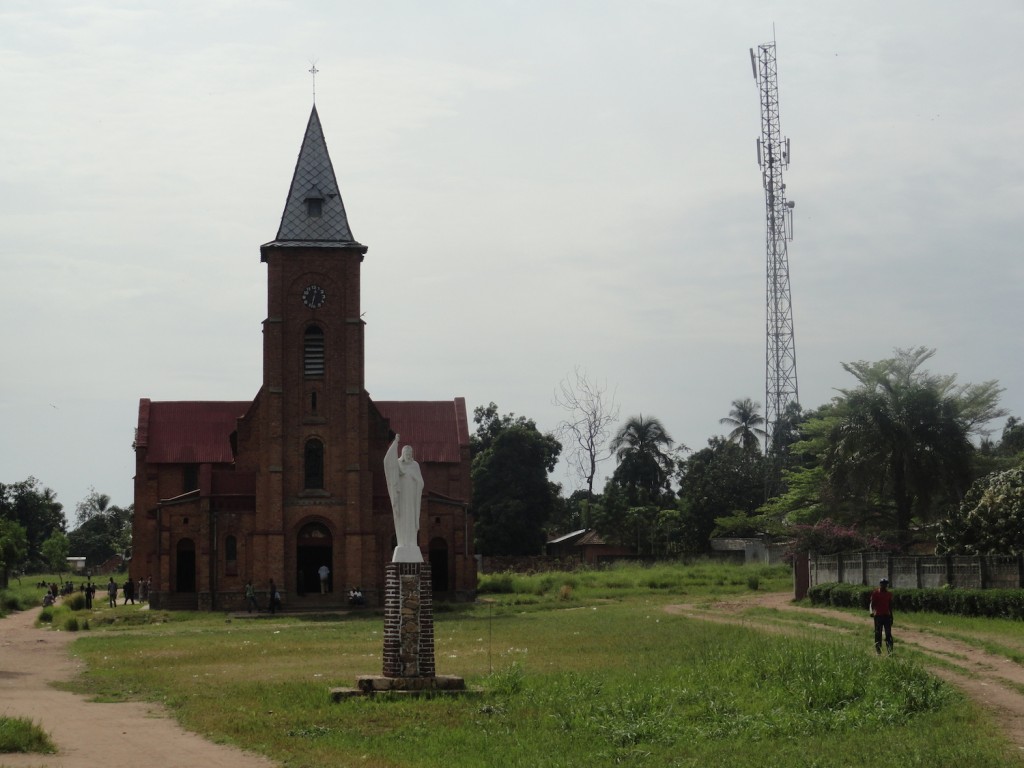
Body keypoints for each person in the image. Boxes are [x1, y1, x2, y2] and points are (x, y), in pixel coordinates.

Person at [383, 433, 424, 563]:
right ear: (402, 454)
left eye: (410, 454)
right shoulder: (398, 465)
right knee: (402, 519)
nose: (408, 456)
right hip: (402, 497)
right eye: (406, 454)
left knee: (411, 519)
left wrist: (415, 480)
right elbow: (387, 462)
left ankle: (412, 542)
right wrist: (395, 443)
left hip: (411, 497)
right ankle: (403, 542)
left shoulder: (415, 465)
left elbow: (421, 482)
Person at [869, 577, 894, 655]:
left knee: (888, 634)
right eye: (882, 584)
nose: (884, 586)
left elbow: (890, 606)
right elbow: (871, 604)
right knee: (878, 633)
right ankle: (878, 651)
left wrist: (891, 616)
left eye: (885, 584)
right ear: (880, 584)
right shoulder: (875, 593)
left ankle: (890, 651)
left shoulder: (889, 594)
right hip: (878, 617)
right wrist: (871, 612)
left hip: (886, 616)